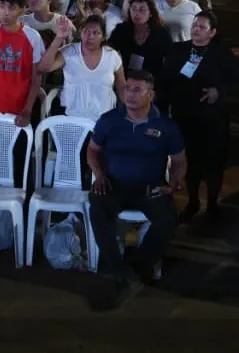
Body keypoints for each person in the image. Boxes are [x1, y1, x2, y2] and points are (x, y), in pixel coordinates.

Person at [86, 69, 186, 309]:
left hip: (149, 186)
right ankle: (124, 272)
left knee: (167, 219)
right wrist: (99, 175)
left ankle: (133, 271)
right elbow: (93, 150)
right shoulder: (109, 120)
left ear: (150, 94)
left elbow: (180, 160)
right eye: (127, 89)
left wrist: (173, 182)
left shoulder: (165, 125)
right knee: (98, 207)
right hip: (114, 183)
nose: (129, 95)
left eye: (136, 90)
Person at [163, 11, 239, 223]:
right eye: (194, 25)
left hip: (213, 118)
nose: (196, 29)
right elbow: (167, 79)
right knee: (191, 162)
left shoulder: (222, 54)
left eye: (202, 27)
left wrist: (219, 91)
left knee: (214, 162)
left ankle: (213, 203)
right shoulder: (179, 50)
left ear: (213, 32)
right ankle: (193, 201)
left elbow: (236, 82)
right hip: (185, 116)